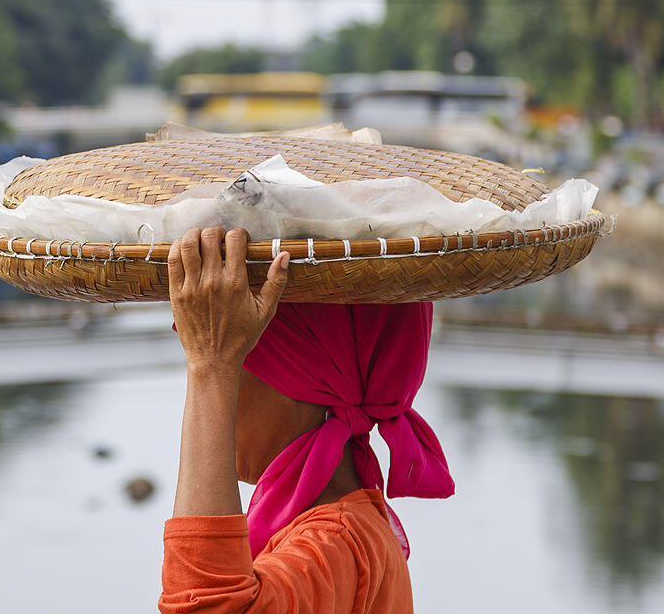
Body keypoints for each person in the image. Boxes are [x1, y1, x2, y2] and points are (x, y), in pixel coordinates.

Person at [159, 227, 454, 614]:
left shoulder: (335, 541)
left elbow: (204, 605)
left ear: (302, 384)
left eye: (236, 367)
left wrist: (211, 367)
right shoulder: (344, 532)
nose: (204, 406)